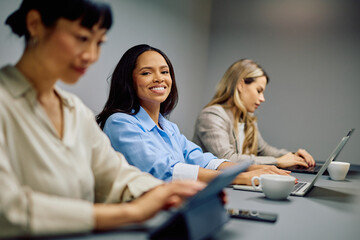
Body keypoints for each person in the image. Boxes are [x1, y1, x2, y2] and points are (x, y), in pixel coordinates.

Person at [0, 1, 206, 238]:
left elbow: (115, 175)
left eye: (98, 43)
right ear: (35, 25)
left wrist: (172, 192)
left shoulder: (75, 110)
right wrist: (132, 212)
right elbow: (7, 211)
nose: (92, 56)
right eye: (82, 38)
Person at [96, 44, 290, 187]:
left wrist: (249, 169)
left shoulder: (168, 127)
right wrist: (238, 177)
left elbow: (202, 159)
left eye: (165, 72)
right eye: (146, 73)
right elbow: (163, 170)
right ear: (129, 80)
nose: (159, 78)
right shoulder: (119, 123)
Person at [192, 59, 315, 168]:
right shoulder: (211, 115)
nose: (262, 98)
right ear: (241, 85)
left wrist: (293, 157)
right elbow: (227, 159)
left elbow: (263, 150)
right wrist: (277, 161)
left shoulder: (246, 118)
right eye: (259, 91)